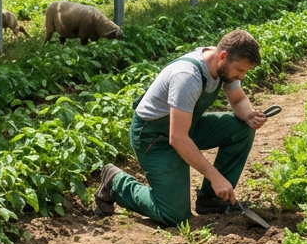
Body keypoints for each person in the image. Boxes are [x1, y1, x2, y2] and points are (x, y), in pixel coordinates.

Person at [93, 30, 267, 226]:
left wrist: (249, 115)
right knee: (174, 215)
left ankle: (211, 199)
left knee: (241, 128)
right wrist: (215, 177)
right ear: (223, 57)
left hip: (184, 128)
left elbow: (239, 99)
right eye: (240, 71)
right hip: (154, 137)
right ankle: (116, 182)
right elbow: (178, 138)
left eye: (244, 72)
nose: (241, 77)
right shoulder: (188, 76)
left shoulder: (224, 66)